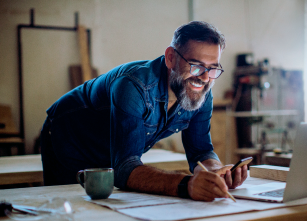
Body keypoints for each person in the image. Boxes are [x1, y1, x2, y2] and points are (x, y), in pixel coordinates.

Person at [41, 21, 248, 201]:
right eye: (195, 65)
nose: (204, 78)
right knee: (67, 211)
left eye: (212, 69)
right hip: (68, 139)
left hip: (112, 153)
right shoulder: (133, 86)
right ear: (170, 58)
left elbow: (201, 151)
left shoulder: (201, 92)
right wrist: (187, 184)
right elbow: (125, 168)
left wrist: (214, 171)